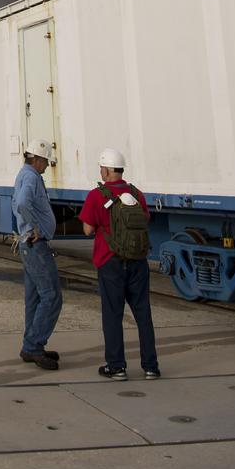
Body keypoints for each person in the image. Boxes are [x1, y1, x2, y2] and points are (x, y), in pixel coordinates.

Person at [79, 147, 160, 381]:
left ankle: (117, 367)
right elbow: (144, 219)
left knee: (113, 315)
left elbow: (87, 229)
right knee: (143, 313)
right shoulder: (137, 193)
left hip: (110, 261)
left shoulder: (97, 195)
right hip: (138, 261)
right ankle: (151, 366)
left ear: (105, 169)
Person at [12, 139, 62, 370]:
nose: (46, 167)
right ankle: (33, 345)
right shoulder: (31, 176)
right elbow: (23, 203)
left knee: (33, 297)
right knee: (51, 296)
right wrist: (36, 228)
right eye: (45, 162)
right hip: (35, 244)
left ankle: (31, 344)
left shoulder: (25, 174)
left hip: (27, 245)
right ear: (37, 159)